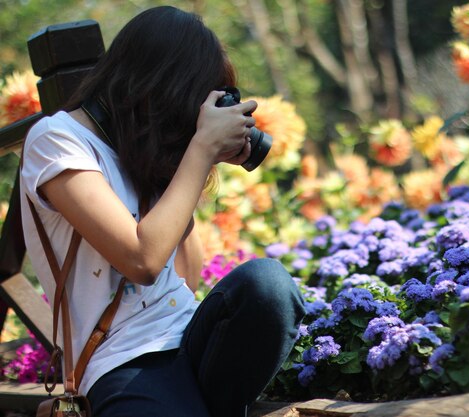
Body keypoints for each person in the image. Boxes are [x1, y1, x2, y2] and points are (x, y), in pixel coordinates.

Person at [20, 6, 305, 417]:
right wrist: (201, 147)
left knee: (269, 285)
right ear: (161, 85)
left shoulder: (140, 148)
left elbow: (186, 279)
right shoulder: (57, 139)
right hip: (122, 358)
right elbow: (143, 260)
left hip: (187, 338)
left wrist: (186, 162)